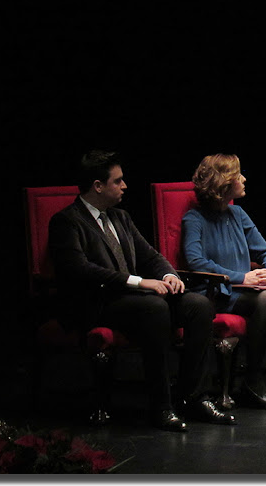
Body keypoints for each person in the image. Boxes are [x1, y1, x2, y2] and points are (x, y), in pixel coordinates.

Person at [48, 150, 234, 432]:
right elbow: (79, 270)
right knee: (154, 307)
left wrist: (169, 275)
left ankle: (194, 396)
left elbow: (150, 256)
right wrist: (138, 281)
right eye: (118, 181)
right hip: (97, 303)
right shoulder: (66, 221)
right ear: (98, 186)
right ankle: (161, 405)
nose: (125, 186)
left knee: (198, 305)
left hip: (130, 300)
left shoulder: (120, 217)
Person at [182, 154, 266, 409]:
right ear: (224, 183)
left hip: (246, 289)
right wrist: (241, 276)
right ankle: (253, 379)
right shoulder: (194, 219)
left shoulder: (238, 213)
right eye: (239, 175)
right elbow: (195, 262)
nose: (244, 179)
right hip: (217, 292)